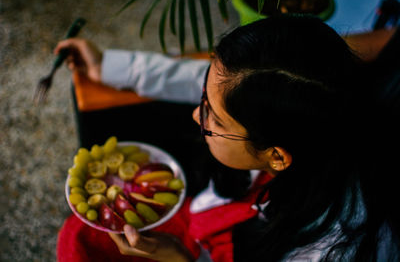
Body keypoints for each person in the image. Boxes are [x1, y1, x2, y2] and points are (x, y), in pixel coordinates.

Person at [56, 15, 400, 261]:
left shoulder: (332, 250)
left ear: (276, 156)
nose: (196, 114)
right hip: (215, 220)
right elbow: (212, 84)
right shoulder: (298, 96)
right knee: (80, 236)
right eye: (204, 99)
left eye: (212, 118)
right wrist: (108, 66)